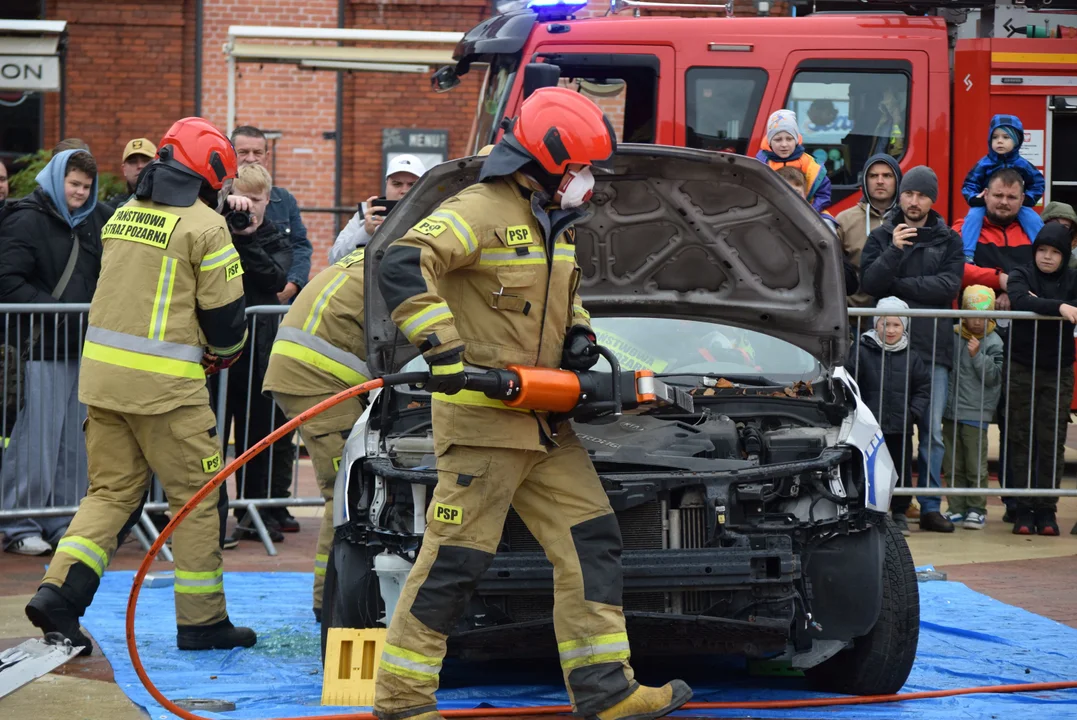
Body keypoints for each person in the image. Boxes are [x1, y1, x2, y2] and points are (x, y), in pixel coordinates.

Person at [372, 86, 691, 720]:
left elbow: (559, 297)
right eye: (578, 169)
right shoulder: (479, 209)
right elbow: (403, 262)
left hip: (545, 426)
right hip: (485, 427)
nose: (587, 181)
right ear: (543, 161)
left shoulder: (551, 220)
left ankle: (606, 692)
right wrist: (443, 347)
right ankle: (403, 703)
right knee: (454, 565)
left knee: (592, 542)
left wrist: (580, 334)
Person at [22, 117, 256, 653]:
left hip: (103, 382)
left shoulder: (123, 214)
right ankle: (202, 622)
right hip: (168, 392)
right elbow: (225, 322)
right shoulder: (205, 227)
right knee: (197, 501)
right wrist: (222, 355)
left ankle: (58, 596)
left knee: (109, 494)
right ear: (210, 172)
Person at [0, 150, 107, 556]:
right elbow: (6, 280)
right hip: (40, 348)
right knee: (36, 441)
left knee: (73, 444)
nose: (80, 192)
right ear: (56, 180)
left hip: (82, 347)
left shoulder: (94, 221)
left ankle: (63, 518)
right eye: (74, 183)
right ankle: (19, 522)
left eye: (85, 186)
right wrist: (57, 313)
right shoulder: (25, 219)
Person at [262, 246, 369, 620]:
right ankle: (329, 605)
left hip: (313, 372)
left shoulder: (383, 252)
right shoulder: (410, 264)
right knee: (345, 493)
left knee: (348, 491)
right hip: (316, 379)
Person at [860, 166, 965, 534]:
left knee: (931, 432)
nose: (914, 201)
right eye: (909, 194)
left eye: (922, 195)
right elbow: (869, 282)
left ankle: (932, 505)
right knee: (887, 430)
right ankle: (890, 504)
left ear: (932, 200)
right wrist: (893, 251)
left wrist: (899, 285)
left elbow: (947, 286)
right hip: (886, 350)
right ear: (900, 196)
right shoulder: (882, 235)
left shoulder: (948, 239)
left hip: (932, 347)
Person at [216, 164, 295, 543]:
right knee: (207, 441)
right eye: (242, 199)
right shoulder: (213, 229)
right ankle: (211, 518)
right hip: (214, 354)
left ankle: (252, 514)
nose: (250, 207)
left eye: (258, 200)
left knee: (256, 438)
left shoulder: (273, 237)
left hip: (257, 355)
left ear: (268, 200)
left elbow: (276, 279)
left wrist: (247, 238)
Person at [954, 168, 1035, 523]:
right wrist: (999, 282)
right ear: (984, 194)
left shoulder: (1034, 232)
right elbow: (958, 267)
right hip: (974, 337)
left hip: (1022, 340)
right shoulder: (965, 227)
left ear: (1022, 199)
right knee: (970, 423)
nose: (1004, 202)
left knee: (1016, 423)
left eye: (1011, 197)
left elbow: (1043, 271)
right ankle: (968, 504)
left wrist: (1010, 289)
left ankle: (1015, 503)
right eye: (998, 195)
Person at [1006, 223, 1077, 537]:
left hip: (1058, 369)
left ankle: (1047, 509)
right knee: (1020, 437)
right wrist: (1060, 306)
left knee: (1051, 440)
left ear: (1065, 256)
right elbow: (1020, 299)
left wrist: (1046, 303)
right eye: (1042, 250)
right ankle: (1022, 508)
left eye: (1055, 252)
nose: (1047, 258)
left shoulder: (1073, 279)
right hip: (1021, 365)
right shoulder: (1021, 273)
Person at [847, 296, 930, 536]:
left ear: (904, 327)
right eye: (885, 324)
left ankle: (900, 510)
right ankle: (868, 511)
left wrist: (913, 413)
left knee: (900, 467)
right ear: (876, 324)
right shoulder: (861, 352)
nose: (891, 330)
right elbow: (852, 384)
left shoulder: (912, 357)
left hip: (900, 425)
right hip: (869, 426)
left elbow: (922, 389)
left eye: (896, 324)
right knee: (867, 468)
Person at [942, 285, 1003, 531]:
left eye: (983, 315)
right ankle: (956, 507)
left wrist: (978, 356)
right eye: (972, 314)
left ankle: (977, 508)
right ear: (963, 313)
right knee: (952, 463)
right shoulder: (954, 335)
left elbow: (994, 376)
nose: (977, 321)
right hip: (951, 410)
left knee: (975, 464)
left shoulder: (994, 340)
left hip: (976, 412)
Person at [231, 126, 312, 303]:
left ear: (266, 157)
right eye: (243, 152)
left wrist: (291, 286)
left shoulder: (284, 200)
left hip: (275, 300)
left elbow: (300, 246)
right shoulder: (220, 201)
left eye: (257, 152)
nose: (251, 158)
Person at [958, 115, 1044, 258]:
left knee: (1033, 219)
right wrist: (974, 198)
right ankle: (967, 254)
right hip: (985, 203)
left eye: (1006, 137)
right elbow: (969, 184)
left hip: (1015, 204)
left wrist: (1028, 199)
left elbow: (1038, 183)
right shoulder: (984, 163)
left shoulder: (1023, 164)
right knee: (972, 217)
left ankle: (1040, 251)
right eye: (995, 137)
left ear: (1017, 141)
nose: (999, 141)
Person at [775, 166, 858, 295]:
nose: (791, 199)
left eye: (796, 193)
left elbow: (849, 283)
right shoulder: (760, 227)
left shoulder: (822, 227)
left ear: (806, 195)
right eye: (786, 192)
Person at [329, 154, 424, 263]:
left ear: (423, 187)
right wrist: (365, 232)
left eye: (412, 185)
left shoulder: (434, 214)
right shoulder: (366, 215)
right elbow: (334, 258)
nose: (404, 190)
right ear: (386, 185)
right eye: (397, 184)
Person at [835, 154, 903, 309]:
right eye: (873, 176)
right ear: (864, 180)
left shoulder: (908, 219)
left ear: (897, 180)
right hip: (854, 315)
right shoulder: (844, 220)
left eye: (887, 175)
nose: (880, 181)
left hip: (897, 321)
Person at [755, 109, 832, 212]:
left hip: (808, 213)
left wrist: (810, 212)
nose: (784, 144)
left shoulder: (811, 165)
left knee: (828, 223)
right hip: (772, 214)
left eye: (789, 139)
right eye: (778, 139)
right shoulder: (760, 164)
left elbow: (823, 194)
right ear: (769, 142)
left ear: (796, 140)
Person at [105, 137, 157, 208]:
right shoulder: (111, 209)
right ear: (124, 169)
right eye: (133, 162)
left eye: (146, 160)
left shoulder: (170, 201)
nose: (140, 166)